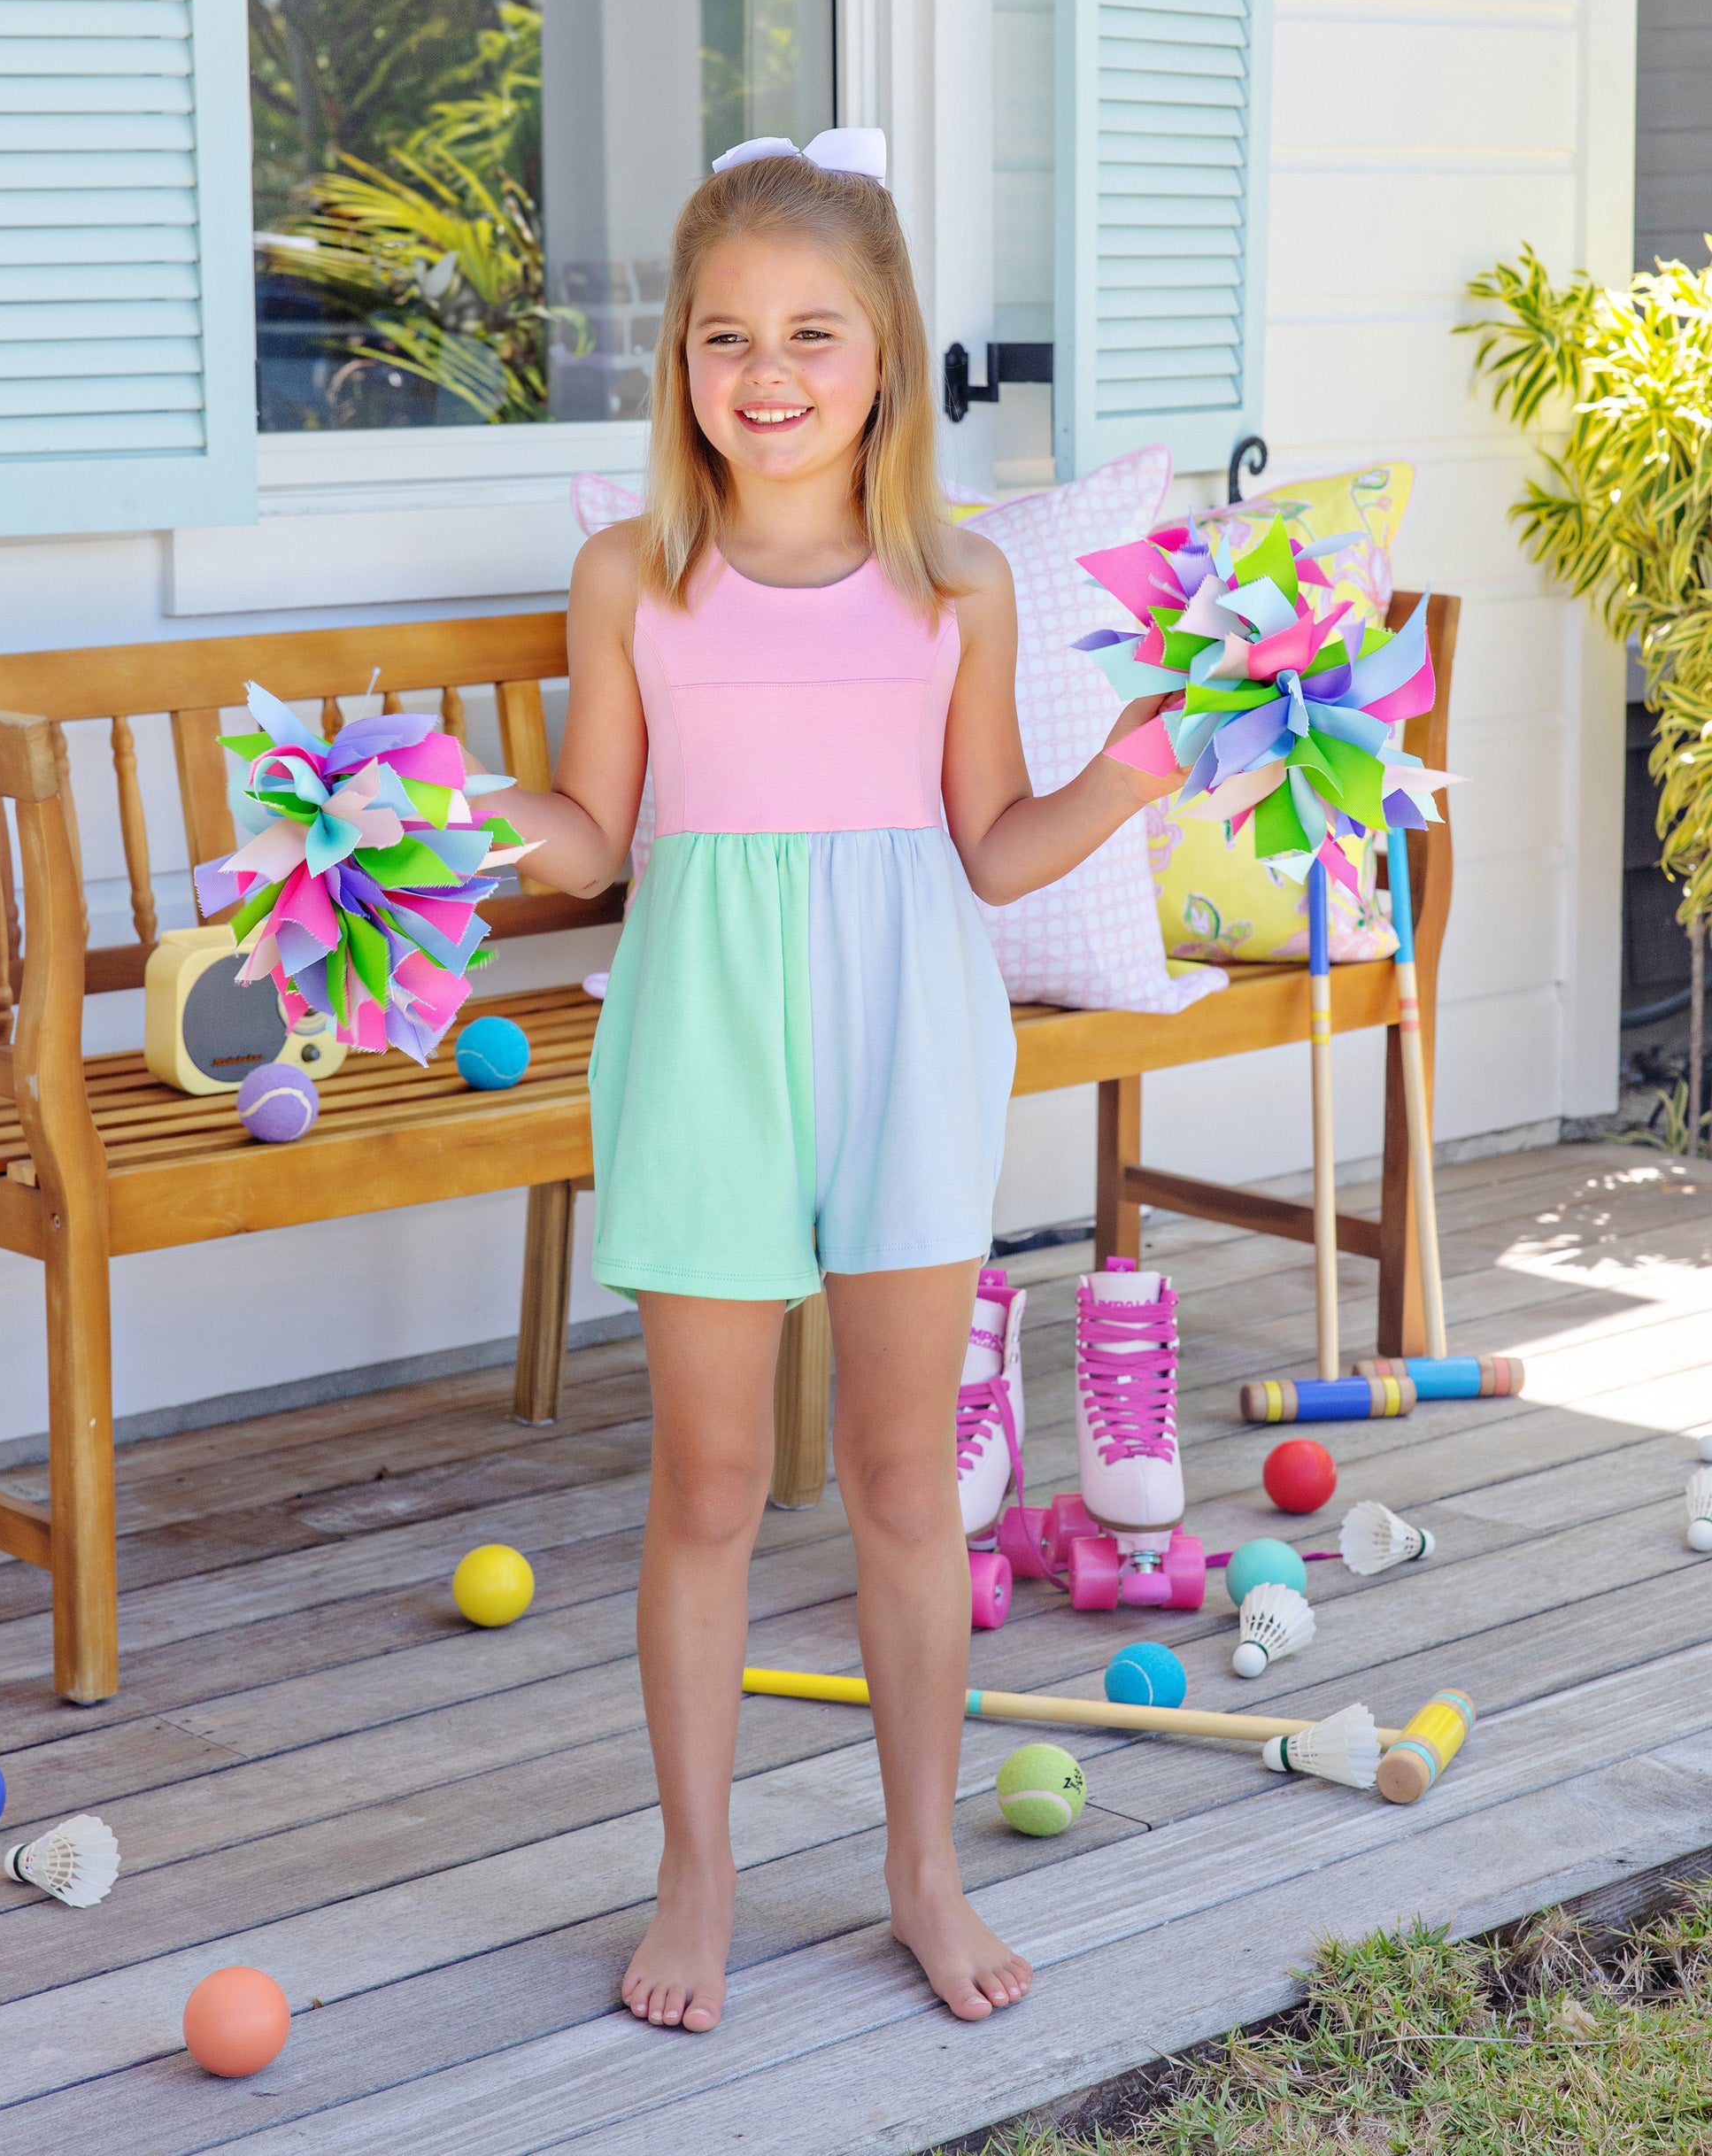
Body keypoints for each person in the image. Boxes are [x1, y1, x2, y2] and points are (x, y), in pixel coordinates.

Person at [495, 134, 1180, 2033]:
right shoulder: (631, 576)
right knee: (709, 1479)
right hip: (700, 1040)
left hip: (909, 1039)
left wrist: (1141, 764)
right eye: (725, 335)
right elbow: (590, 833)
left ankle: (921, 1868)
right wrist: (437, 810)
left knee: (899, 1474)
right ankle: (696, 1874)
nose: (767, 372)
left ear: (885, 356)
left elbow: (994, 847)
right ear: (680, 362)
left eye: (813, 332)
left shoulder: (957, 585)